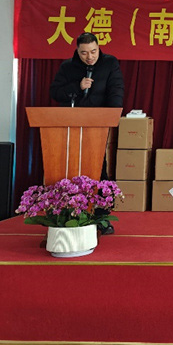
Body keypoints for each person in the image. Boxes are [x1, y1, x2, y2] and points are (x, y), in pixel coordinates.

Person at [50, 32, 124, 234]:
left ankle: (101, 216)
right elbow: (55, 93)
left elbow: (116, 90)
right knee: (70, 169)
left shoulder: (109, 63)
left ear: (98, 48)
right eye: (84, 53)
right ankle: (69, 214)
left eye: (93, 51)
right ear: (77, 51)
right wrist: (77, 86)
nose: (89, 57)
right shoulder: (67, 67)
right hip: (71, 126)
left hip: (97, 127)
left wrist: (111, 117)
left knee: (98, 170)